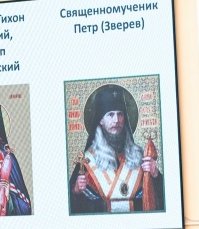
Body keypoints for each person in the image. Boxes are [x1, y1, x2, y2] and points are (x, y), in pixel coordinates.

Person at [69, 84, 164, 214]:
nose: (116, 120)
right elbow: (72, 206)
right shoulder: (86, 160)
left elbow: (163, 198)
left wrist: (155, 175)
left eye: (120, 114)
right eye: (110, 115)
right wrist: (76, 190)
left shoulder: (139, 155)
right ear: (100, 120)